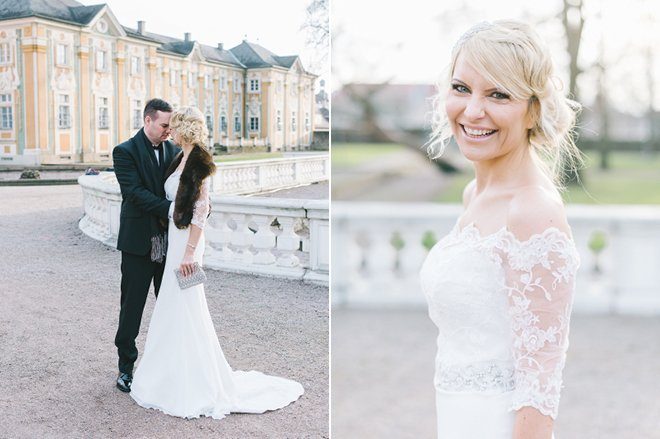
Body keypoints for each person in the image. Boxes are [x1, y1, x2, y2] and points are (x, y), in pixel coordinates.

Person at [419, 20, 582, 439]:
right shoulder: (474, 194)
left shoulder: (532, 211)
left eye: (498, 94)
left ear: (533, 109)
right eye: (461, 88)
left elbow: (541, 379)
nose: (473, 111)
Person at [129, 106, 304, 419]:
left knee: (188, 305)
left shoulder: (199, 162)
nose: (169, 130)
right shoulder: (179, 157)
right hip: (176, 241)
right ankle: (171, 373)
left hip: (188, 245)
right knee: (173, 305)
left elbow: (201, 211)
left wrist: (188, 254)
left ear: (184, 129)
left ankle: (195, 380)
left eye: (174, 126)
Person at [113, 98, 179, 393]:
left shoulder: (176, 151)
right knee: (132, 308)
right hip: (138, 243)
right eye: (165, 125)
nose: (169, 131)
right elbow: (134, 193)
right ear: (148, 120)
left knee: (173, 307)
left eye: (171, 126)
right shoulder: (124, 151)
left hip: (171, 244)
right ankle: (126, 368)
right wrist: (172, 210)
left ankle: (169, 366)